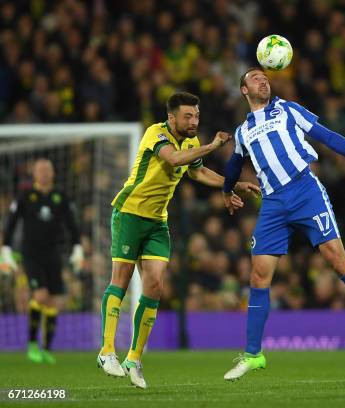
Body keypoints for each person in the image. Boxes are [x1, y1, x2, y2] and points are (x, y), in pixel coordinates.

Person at [221, 67, 345, 381]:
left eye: (265, 77)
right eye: (255, 78)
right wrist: (226, 190)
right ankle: (253, 355)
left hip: (305, 191)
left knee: (338, 261)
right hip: (273, 203)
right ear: (244, 90)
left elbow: (327, 137)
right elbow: (234, 165)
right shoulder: (243, 130)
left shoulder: (287, 109)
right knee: (259, 276)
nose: (263, 80)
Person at [97, 91, 259, 389]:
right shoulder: (155, 134)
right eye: (188, 116)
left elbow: (197, 173)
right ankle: (107, 351)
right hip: (130, 213)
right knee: (121, 279)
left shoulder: (192, 143)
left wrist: (233, 184)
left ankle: (134, 359)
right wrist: (212, 146)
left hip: (158, 221)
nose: (194, 120)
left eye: (196, 115)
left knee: (156, 285)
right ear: (172, 117)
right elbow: (173, 159)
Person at [2, 158, 83, 364]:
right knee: (40, 295)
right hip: (31, 253)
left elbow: (72, 223)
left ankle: (46, 348)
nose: (45, 173)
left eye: (48, 169)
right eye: (41, 170)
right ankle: (31, 344)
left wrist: (77, 246)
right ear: (34, 174)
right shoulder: (26, 196)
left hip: (54, 253)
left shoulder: (60, 197)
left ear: (53, 173)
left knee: (54, 300)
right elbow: (11, 223)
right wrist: (6, 248)